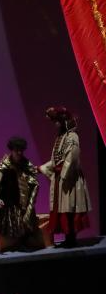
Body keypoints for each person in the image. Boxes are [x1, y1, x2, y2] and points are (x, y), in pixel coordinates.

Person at [40, 106, 91, 248]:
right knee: (62, 208)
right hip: (61, 177)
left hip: (70, 178)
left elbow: (72, 157)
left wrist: (63, 174)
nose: (55, 124)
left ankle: (71, 238)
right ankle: (68, 237)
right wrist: (42, 168)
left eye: (57, 121)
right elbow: (55, 160)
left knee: (70, 208)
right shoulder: (60, 137)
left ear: (63, 121)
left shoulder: (72, 136)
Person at [0, 137, 44, 253]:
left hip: (19, 199)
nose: (19, 153)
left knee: (22, 222)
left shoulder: (26, 164)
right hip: (4, 198)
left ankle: (22, 244)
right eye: (16, 150)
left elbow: (33, 181)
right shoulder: (5, 164)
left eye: (21, 150)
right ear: (12, 150)